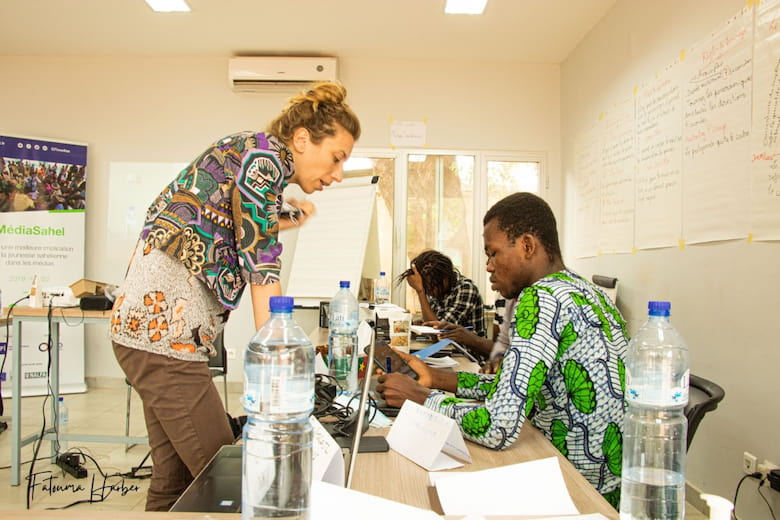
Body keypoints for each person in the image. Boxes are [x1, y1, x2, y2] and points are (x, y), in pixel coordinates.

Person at [109, 81, 361, 511]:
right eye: (336, 158)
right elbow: (261, 268)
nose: (337, 175)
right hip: (165, 340)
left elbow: (219, 222)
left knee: (174, 484)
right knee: (232, 480)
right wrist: (278, 368)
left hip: (149, 336)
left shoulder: (248, 152)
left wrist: (283, 217)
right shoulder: (263, 160)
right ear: (302, 139)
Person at [376, 192, 628, 507]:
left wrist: (420, 397)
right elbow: (517, 384)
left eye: (493, 253)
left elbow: (498, 427)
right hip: (616, 485)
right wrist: (439, 380)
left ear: (526, 245)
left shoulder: (541, 299)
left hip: (578, 489)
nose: (489, 267)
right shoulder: (587, 291)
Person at [397, 249, 487, 343]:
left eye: (430, 288)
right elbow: (432, 323)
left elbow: (438, 334)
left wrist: (420, 292)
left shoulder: (466, 289)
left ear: (445, 278)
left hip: (466, 354)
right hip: (447, 351)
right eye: (425, 289)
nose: (429, 293)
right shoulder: (439, 291)